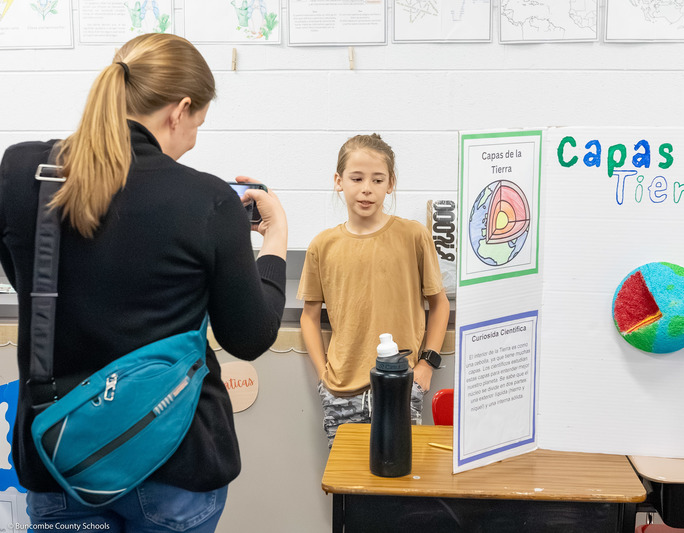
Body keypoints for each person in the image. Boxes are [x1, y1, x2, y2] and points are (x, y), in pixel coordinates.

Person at [0, 33, 288, 531]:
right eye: (198, 123)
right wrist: (276, 244)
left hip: (58, 454)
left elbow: (25, 280)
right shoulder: (207, 200)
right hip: (175, 460)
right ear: (179, 110)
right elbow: (249, 336)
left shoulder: (24, 171)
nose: (193, 138)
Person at [298, 134, 449, 448]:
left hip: (400, 389)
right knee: (348, 491)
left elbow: (439, 304)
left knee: (401, 486)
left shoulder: (413, 236)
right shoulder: (322, 246)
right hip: (341, 392)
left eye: (377, 179)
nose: (366, 188)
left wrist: (426, 365)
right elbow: (309, 318)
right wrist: (323, 375)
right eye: (356, 178)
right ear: (339, 181)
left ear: (390, 184)